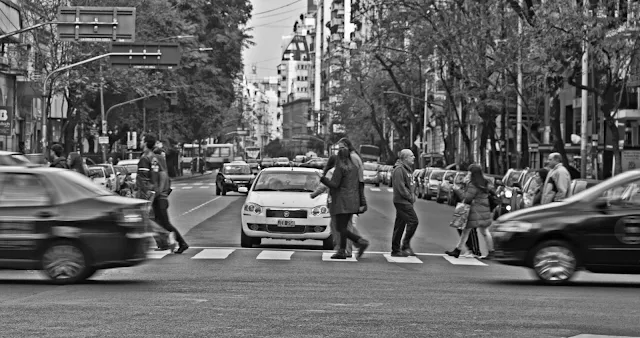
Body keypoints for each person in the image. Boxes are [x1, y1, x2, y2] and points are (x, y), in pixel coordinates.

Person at [317, 141, 370, 259]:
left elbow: (334, 184)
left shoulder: (340, 168)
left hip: (341, 201)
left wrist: (323, 179)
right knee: (344, 226)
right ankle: (343, 250)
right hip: (353, 200)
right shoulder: (354, 168)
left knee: (340, 227)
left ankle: (359, 242)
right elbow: (359, 183)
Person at [310, 155, 360, 257]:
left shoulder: (333, 171)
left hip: (337, 203)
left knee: (336, 227)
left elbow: (324, 186)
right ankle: (349, 249)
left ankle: (342, 249)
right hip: (350, 202)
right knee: (348, 225)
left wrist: (314, 194)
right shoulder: (352, 170)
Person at [446, 164, 495, 260]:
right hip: (484, 209)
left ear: (472, 173)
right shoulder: (484, 182)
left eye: (469, 172)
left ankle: (458, 250)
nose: (467, 173)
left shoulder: (473, 184)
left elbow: (467, 198)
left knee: (466, 231)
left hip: (475, 210)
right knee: (484, 231)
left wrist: (457, 190)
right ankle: (491, 251)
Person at [153, 146, 189, 254]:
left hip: (160, 201)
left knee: (166, 224)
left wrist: (152, 195)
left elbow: (159, 190)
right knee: (161, 224)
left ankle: (181, 243)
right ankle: (168, 243)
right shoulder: (162, 171)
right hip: (161, 200)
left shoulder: (162, 173)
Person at [390, 149, 419, 257]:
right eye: (411, 156)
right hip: (402, 201)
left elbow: (411, 184)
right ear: (405, 158)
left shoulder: (407, 169)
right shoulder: (399, 170)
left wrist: (413, 193)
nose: (414, 157)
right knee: (413, 221)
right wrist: (410, 197)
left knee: (400, 225)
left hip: (405, 201)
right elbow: (400, 187)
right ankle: (405, 245)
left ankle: (396, 249)